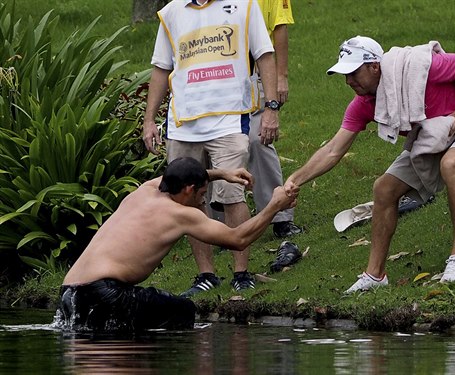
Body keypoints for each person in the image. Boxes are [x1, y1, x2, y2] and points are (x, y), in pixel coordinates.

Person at [284, 36, 455, 293]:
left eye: (353, 73)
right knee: (384, 188)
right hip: (431, 139)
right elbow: (333, 150)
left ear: (374, 67)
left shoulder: (419, 67)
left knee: (451, 164)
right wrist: (295, 179)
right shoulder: (364, 104)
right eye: (345, 75)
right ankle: (375, 275)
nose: (348, 81)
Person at [55, 157, 298, 331]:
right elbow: (238, 239)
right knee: (182, 311)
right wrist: (274, 205)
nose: (202, 201)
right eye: (202, 194)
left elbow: (174, 176)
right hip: (104, 293)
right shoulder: (180, 214)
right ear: (189, 190)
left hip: (69, 292)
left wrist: (222, 174)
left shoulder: (145, 190)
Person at [142, 0, 280, 295]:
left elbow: (265, 55)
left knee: (233, 194)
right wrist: (149, 120)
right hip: (183, 123)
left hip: (229, 119)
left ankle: (241, 272)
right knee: (188, 200)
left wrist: (271, 108)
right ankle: (206, 275)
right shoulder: (171, 11)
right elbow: (161, 68)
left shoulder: (244, 5)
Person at [248, 0, 302, 238]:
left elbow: (279, 26)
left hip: (258, 72)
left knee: (259, 140)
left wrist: (281, 76)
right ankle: (218, 227)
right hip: (219, 76)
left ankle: (279, 216)